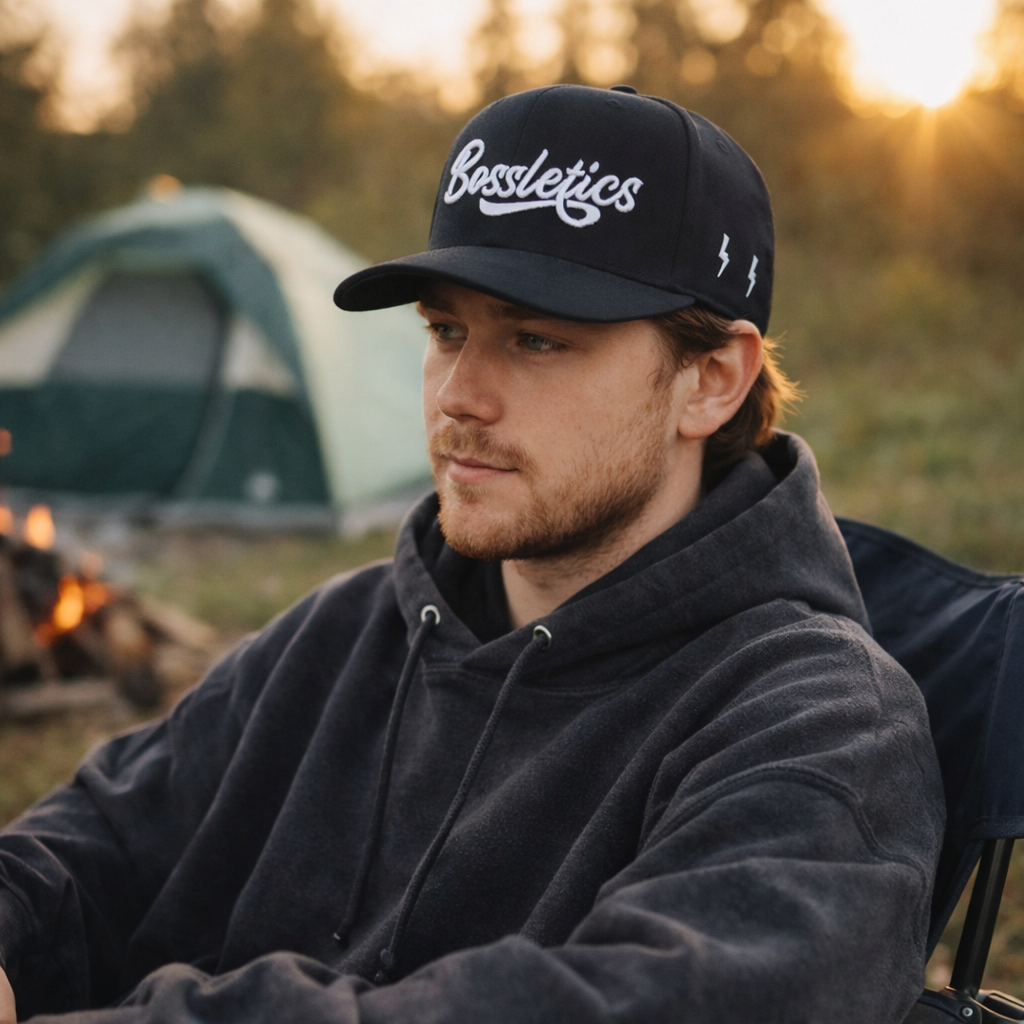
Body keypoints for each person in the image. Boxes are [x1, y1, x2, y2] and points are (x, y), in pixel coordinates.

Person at [0, 85, 943, 1024]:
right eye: (446, 330)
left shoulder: (817, 727)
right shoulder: (346, 634)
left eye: (536, 339)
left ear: (712, 382)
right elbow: (95, 845)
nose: (460, 395)